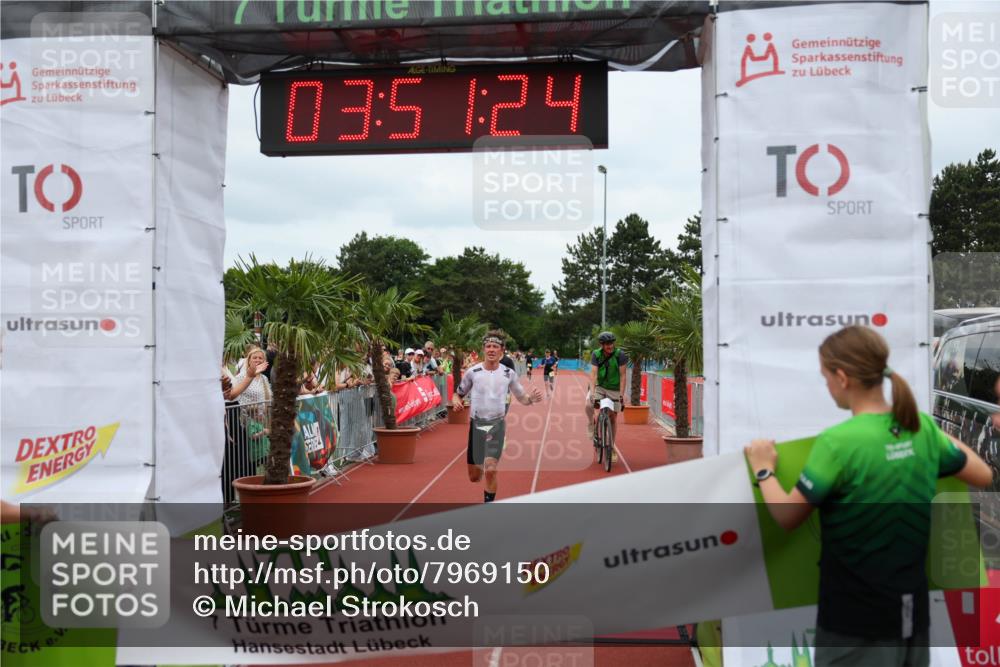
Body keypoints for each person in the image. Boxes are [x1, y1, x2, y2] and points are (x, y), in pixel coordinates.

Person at [745, 325, 991, 667]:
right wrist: (930, 434)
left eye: (825, 377)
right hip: (911, 614)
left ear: (842, 377)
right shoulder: (919, 428)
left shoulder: (837, 443)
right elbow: (982, 473)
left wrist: (763, 469)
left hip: (853, 621)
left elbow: (787, 515)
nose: (827, 386)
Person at [452, 331, 543, 502]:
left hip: (497, 425)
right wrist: (456, 401)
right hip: (476, 425)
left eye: (495, 346)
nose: (491, 350)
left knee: (491, 469)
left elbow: (522, 397)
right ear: (483, 349)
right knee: (474, 476)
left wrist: (531, 399)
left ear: (501, 351)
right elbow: (457, 394)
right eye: (488, 346)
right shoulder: (473, 372)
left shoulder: (509, 373)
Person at [586, 331, 628, 463]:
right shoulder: (596, 354)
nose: (610, 346)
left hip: (614, 389)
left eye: (611, 343)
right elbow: (593, 374)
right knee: (588, 404)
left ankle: (612, 446)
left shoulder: (620, 355)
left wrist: (621, 395)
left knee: (613, 417)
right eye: (607, 344)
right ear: (602, 345)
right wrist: (592, 393)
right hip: (600, 386)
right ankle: (591, 424)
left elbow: (622, 376)